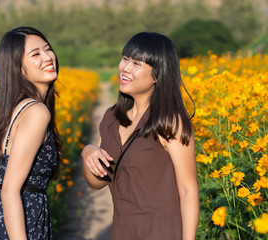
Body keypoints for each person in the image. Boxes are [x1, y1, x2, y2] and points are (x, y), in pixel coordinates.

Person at [81, 32, 199, 239]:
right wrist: (88, 152)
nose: (125, 68)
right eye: (125, 59)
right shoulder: (111, 118)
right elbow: (96, 182)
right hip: (122, 231)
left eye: (136, 63)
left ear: (157, 76)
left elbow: (188, 191)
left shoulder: (169, 122)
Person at [0, 26, 61, 240]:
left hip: (0, 222)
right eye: (36, 54)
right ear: (20, 70)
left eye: (47, 49)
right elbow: (10, 190)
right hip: (19, 225)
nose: (48, 57)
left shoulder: (15, 108)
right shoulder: (36, 112)